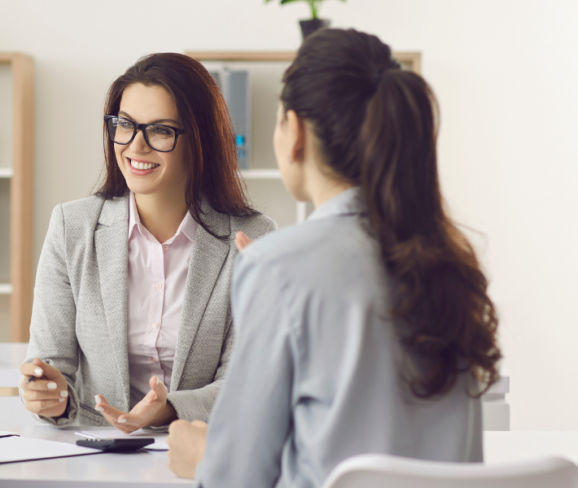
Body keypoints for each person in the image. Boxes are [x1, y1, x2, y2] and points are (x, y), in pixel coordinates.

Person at [166, 28, 502, 486]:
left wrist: (201, 459)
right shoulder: (452, 266)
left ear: (295, 132)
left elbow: (237, 480)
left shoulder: (280, 269)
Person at [20, 53, 277, 432]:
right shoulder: (71, 228)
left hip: (203, 448)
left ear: (200, 139)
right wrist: (51, 396)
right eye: (125, 125)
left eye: (160, 130)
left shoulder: (252, 238)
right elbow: (51, 364)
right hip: (94, 453)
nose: (135, 146)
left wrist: (169, 408)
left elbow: (246, 380)